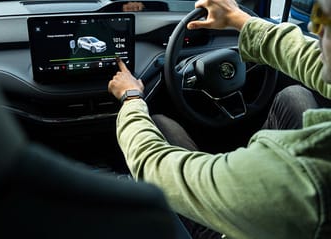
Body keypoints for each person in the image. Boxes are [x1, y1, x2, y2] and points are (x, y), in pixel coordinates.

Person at [107, 0, 331, 238]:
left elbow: (154, 166)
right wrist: (238, 19)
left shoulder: (306, 174)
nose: (312, 28)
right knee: (293, 95)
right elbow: (309, 57)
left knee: (161, 125)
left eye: (323, 19)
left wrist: (131, 99)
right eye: (316, 15)